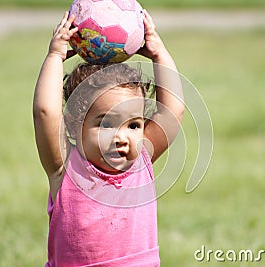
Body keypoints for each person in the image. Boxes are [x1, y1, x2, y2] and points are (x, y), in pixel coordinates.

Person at [33, 9, 184, 267]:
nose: (121, 137)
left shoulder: (142, 160)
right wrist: (55, 56)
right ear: (74, 124)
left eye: (134, 125)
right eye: (105, 123)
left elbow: (173, 110)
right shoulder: (65, 168)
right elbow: (46, 112)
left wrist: (160, 54)